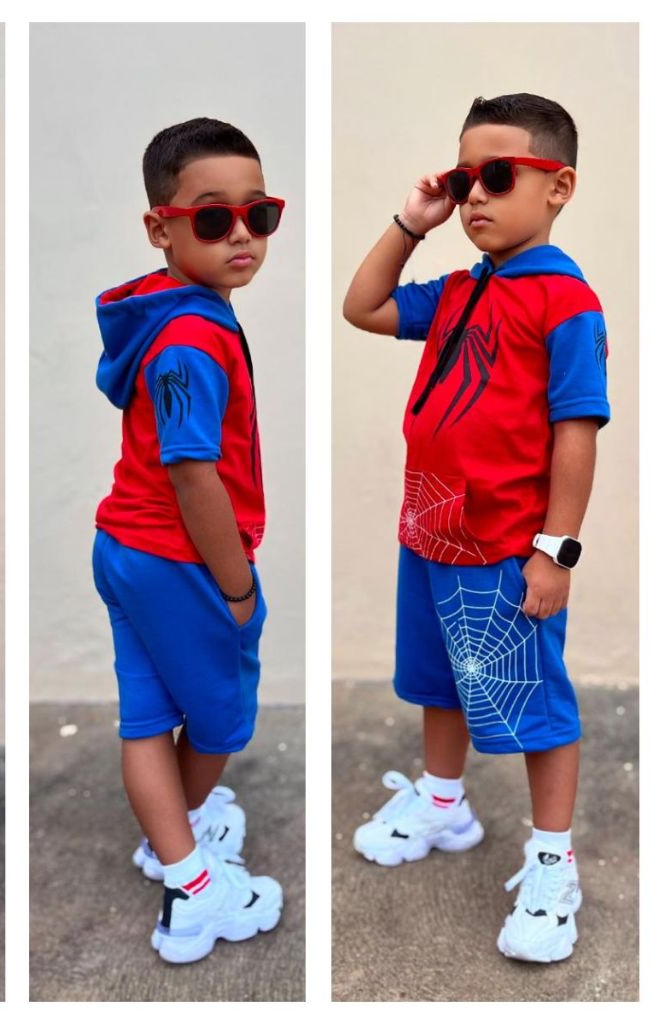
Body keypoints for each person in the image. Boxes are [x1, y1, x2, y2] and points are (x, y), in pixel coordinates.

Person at [343, 94, 610, 962]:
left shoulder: (565, 300)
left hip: (505, 544)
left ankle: (553, 861)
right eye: (464, 181)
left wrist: (554, 550)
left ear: (558, 186)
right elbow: (363, 306)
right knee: (438, 683)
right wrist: (410, 223)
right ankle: (443, 802)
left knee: (533, 702)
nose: (475, 196)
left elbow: (576, 430)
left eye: (497, 175)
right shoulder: (461, 289)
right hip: (430, 528)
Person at [92, 117, 286, 964]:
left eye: (259, 213)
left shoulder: (164, 314)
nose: (240, 233)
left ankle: (171, 848)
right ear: (160, 227)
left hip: (125, 547)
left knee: (146, 719)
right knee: (219, 716)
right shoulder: (190, 340)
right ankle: (193, 885)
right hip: (179, 562)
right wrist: (236, 585)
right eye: (212, 217)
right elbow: (192, 473)